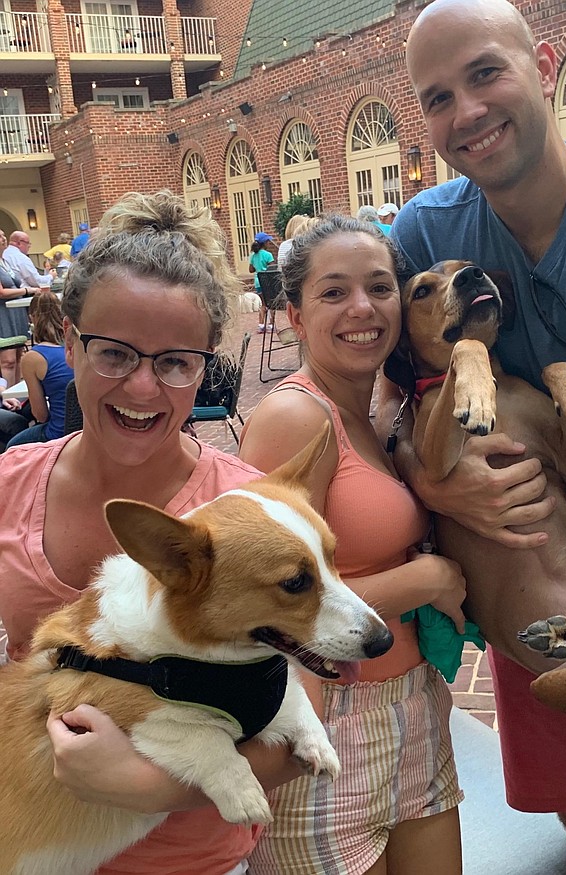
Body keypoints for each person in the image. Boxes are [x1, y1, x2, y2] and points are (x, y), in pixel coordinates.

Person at [383, 1, 566, 873]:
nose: (466, 112)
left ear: (544, 65)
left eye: (484, 74)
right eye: (438, 97)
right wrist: (427, 477)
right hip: (535, 552)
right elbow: (386, 400)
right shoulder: (427, 235)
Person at [0, 190, 308, 875]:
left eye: (174, 362)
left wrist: (145, 784)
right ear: (70, 344)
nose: (142, 388)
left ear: (202, 366)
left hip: (190, 860)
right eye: (115, 353)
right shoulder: (11, 481)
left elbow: (299, 729)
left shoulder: (241, 508)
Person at [239, 215, 466, 875]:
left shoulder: (380, 411)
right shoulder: (295, 417)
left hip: (415, 704)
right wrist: (427, 581)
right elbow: (264, 610)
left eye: (379, 287)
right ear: (294, 315)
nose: (362, 307)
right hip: (325, 723)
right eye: (334, 292)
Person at [5, 292, 74, 448]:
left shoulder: (33, 358)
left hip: (58, 433)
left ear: (32, 318)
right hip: (86, 430)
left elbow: (41, 415)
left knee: (13, 448)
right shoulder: (77, 347)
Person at [0, 229, 40, 387]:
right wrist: (27, 290)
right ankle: (7, 397)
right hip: (4, 316)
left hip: (16, 314)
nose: (3, 239)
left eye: (4, 235)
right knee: (8, 360)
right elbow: (1, 292)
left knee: (18, 357)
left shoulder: (5, 262)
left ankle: (17, 396)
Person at [249, 231, 275, 333]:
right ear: (264, 243)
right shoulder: (268, 255)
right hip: (267, 282)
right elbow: (272, 268)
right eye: (268, 242)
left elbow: (251, 270)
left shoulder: (253, 256)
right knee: (272, 303)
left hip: (258, 282)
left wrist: (258, 267)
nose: (269, 244)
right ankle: (271, 325)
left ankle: (261, 325)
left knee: (263, 304)